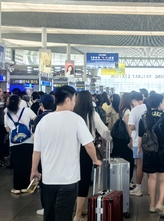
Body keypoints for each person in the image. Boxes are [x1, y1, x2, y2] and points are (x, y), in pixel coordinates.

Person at [30, 86, 102, 221]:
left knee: (49, 215)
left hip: (48, 179)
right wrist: (95, 160)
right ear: (68, 100)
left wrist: (34, 169)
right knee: (64, 216)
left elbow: (37, 150)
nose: (75, 103)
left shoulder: (43, 120)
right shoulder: (76, 120)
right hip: (68, 180)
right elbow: (89, 145)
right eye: (74, 100)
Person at [73, 91, 111, 221]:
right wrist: (110, 138)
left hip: (71, 149)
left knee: (73, 180)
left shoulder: (72, 113)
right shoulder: (92, 114)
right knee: (84, 181)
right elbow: (104, 130)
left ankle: (80, 208)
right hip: (86, 150)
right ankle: (78, 214)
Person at [138, 93, 164, 217]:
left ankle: (152, 205)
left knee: (152, 178)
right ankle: (160, 202)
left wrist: (139, 148)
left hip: (149, 151)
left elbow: (140, 135)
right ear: (159, 103)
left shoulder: (144, 117)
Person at [5, 95, 36, 194]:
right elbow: (36, 119)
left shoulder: (7, 114)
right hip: (28, 141)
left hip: (14, 143)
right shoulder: (27, 110)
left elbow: (7, 129)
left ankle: (17, 187)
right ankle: (26, 186)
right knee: (27, 164)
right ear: (19, 102)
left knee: (17, 165)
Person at [32, 94, 55, 216]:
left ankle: (46, 207)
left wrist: (33, 168)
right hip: (56, 153)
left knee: (44, 181)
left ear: (41, 105)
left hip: (44, 153)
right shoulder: (57, 116)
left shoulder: (39, 119)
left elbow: (36, 138)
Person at [111, 93, 135, 189]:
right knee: (130, 160)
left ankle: (123, 181)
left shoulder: (122, 109)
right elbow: (128, 125)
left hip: (119, 138)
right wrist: (131, 138)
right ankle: (127, 182)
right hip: (124, 139)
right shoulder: (128, 111)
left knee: (124, 159)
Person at [128, 91, 147, 196]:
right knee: (149, 164)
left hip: (137, 141)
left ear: (134, 101)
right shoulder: (147, 108)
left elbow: (132, 126)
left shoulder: (134, 110)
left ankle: (138, 188)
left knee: (139, 164)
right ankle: (150, 188)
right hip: (150, 141)